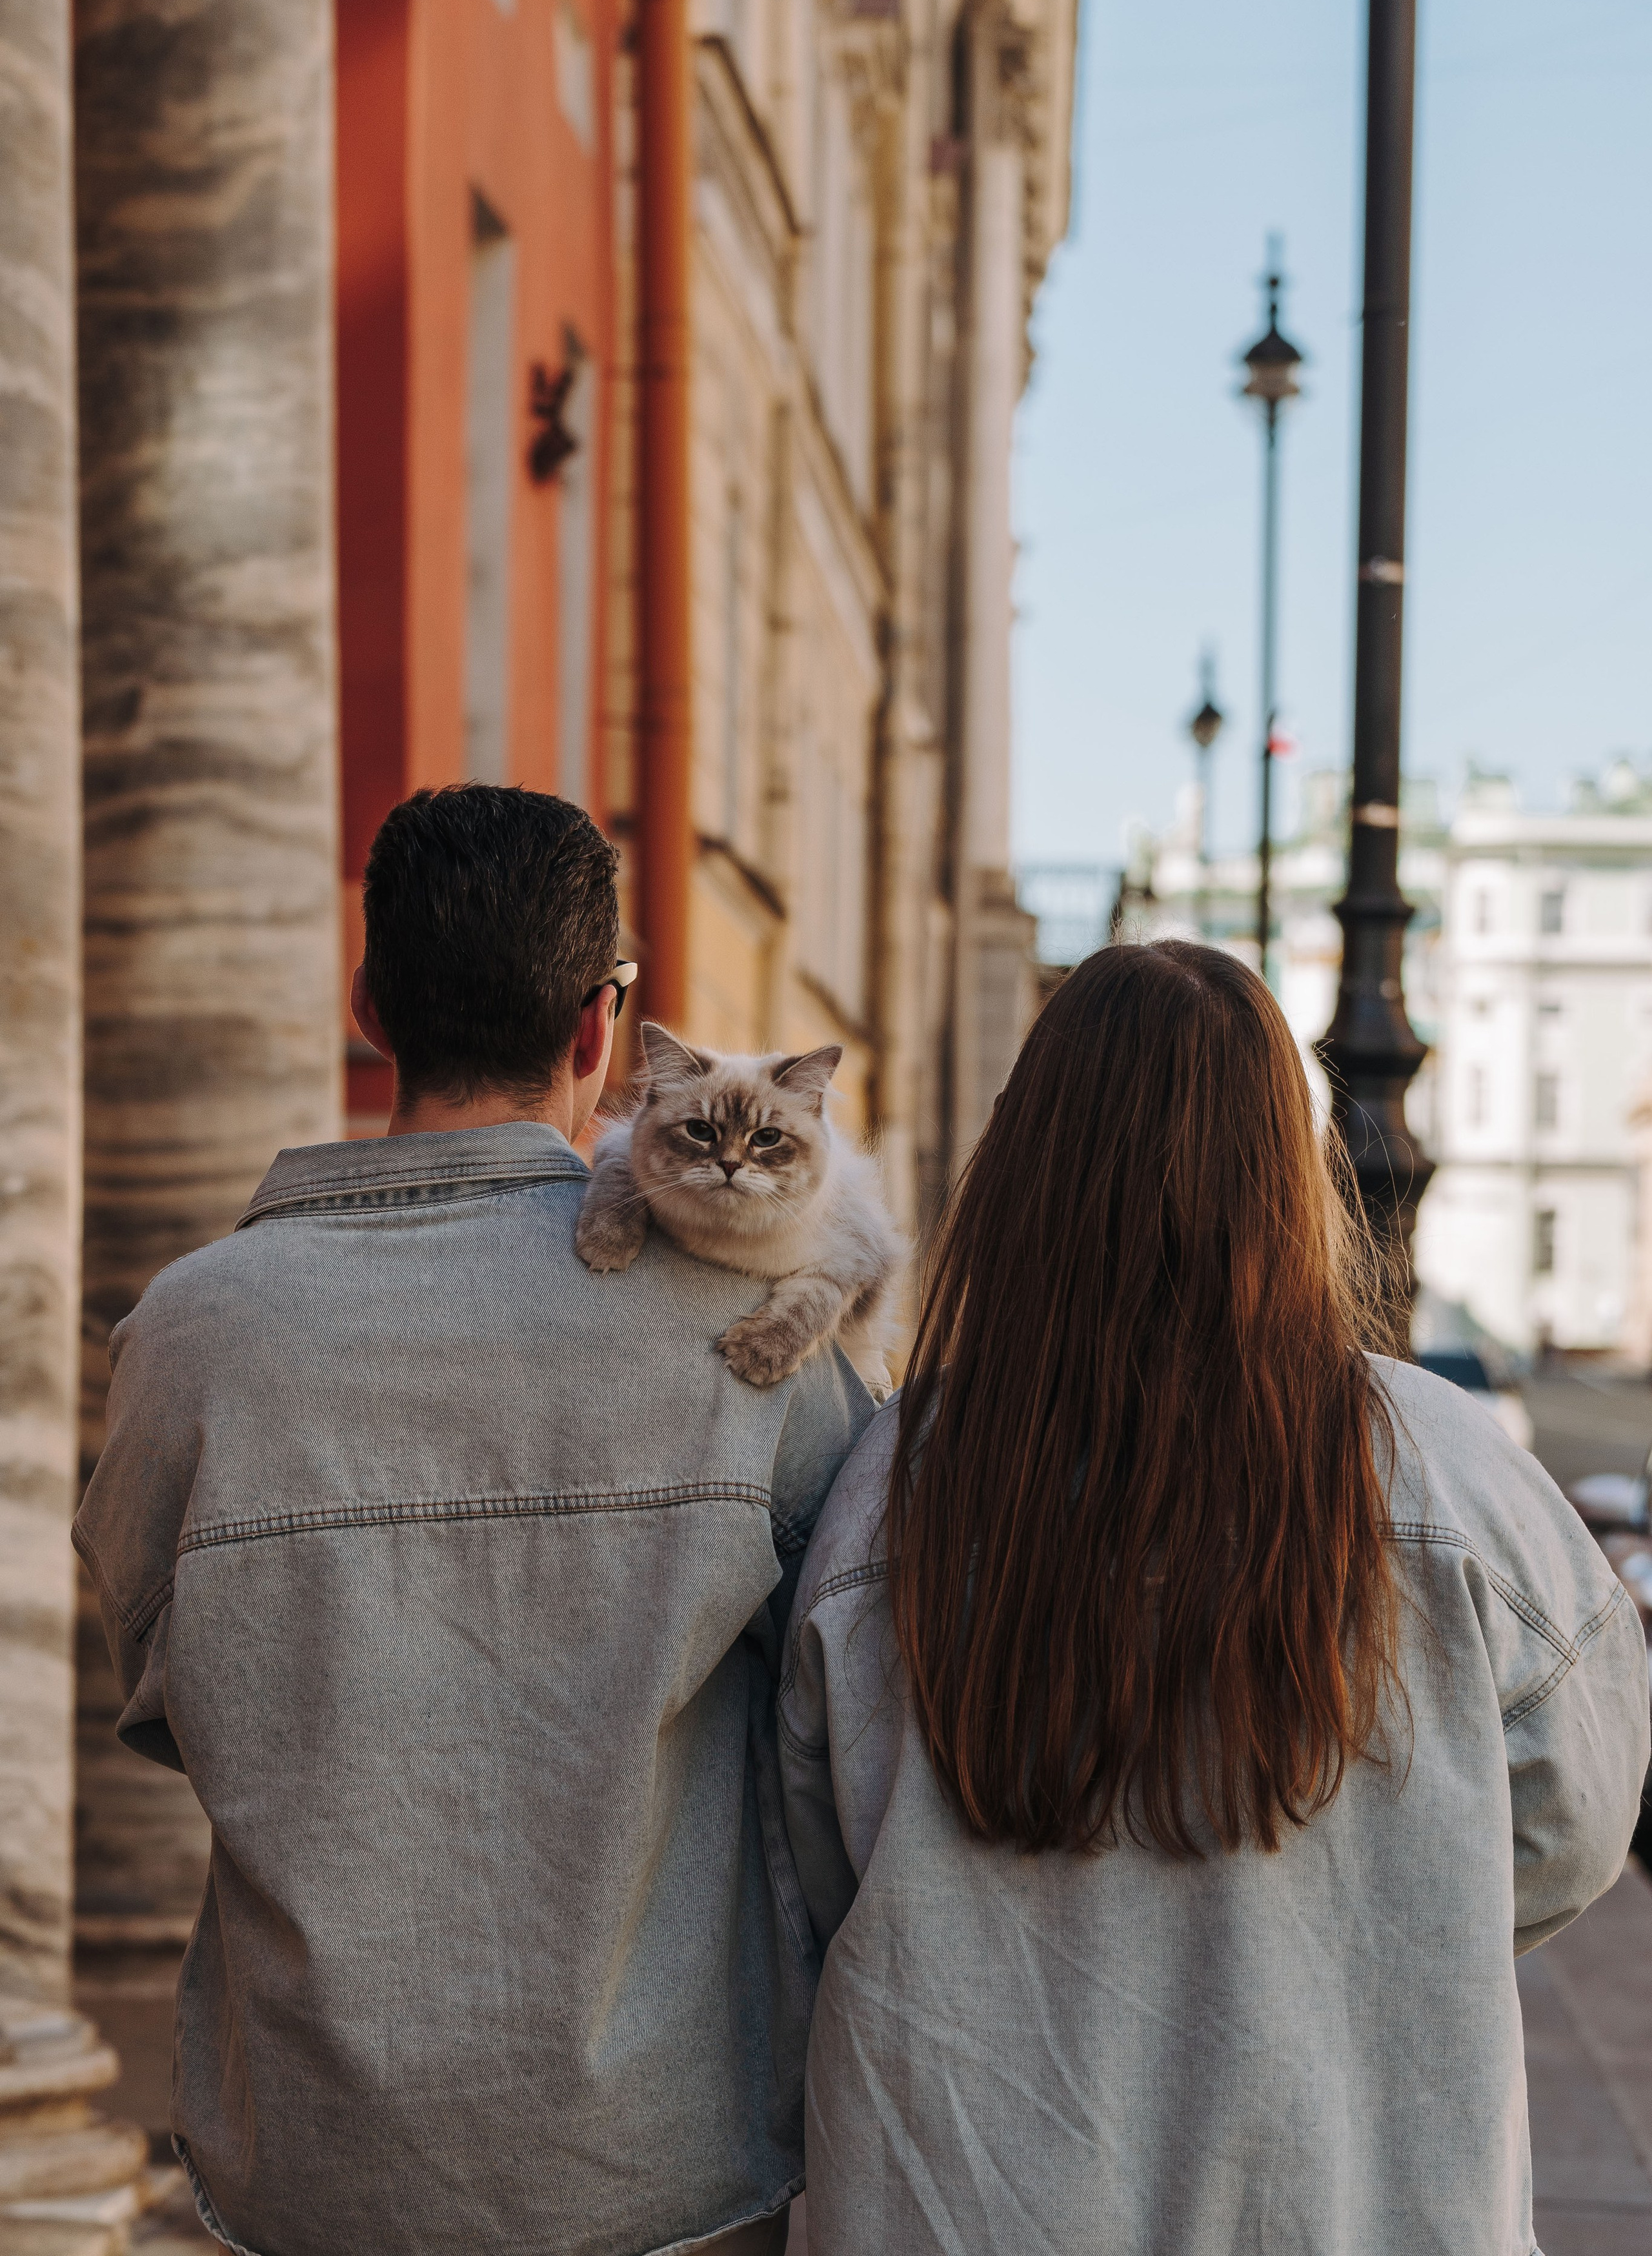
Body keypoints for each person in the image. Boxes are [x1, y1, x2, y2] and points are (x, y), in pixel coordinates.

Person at [74, 785, 871, 2256]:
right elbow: (848, 1718)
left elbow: (166, 1687)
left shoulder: (188, 1334)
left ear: (368, 1003)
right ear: (596, 1030)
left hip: (313, 2170)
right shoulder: (750, 1324)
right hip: (662, 2173)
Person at [781, 938, 1650, 2255]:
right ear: (1283, 1171)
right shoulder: (1450, 1471)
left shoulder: (886, 1490)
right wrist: (1391, 1905)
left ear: (1027, 1170)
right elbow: (1576, 1822)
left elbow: (806, 1861)